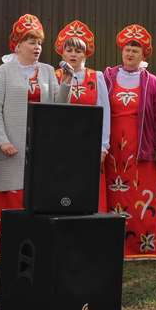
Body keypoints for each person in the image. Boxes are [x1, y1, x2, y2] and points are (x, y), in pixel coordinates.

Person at [0, 14, 57, 263]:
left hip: (40, 147)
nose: (36, 47)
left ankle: (37, 250)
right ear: (17, 45)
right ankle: (5, 252)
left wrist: (68, 83)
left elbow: (59, 106)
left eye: (38, 42)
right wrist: (2, 140)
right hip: (11, 147)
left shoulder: (48, 71)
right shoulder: (4, 71)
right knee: (12, 196)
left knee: (37, 196)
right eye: (30, 41)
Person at [103, 24, 156, 261]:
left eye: (136, 51)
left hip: (141, 148)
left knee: (141, 196)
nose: (130, 54)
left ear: (143, 56)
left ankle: (144, 247)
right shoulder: (108, 77)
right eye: (127, 49)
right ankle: (112, 246)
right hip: (112, 149)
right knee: (115, 195)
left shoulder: (152, 82)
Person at [53, 19, 111, 212]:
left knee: (88, 188)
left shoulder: (97, 77)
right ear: (62, 53)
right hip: (63, 144)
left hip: (89, 143)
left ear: (86, 54)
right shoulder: (54, 76)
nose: (73, 54)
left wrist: (103, 146)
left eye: (78, 51)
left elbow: (105, 112)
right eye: (69, 50)